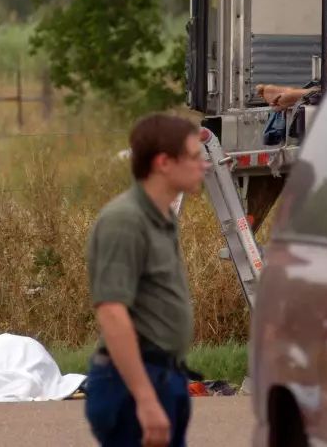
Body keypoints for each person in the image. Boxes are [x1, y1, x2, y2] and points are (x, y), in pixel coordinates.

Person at [84, 114, 209, 447]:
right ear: (164, 163)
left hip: (166, 377)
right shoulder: (124, 221)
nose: (204, 165)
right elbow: (112, 312)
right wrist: (146, 399)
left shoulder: (163, 216)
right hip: (131, 384)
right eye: (195, 157)